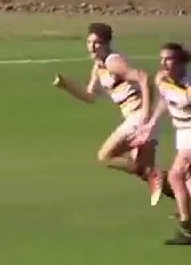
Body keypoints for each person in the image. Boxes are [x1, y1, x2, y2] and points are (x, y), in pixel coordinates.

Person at [53, 23, 167, 206]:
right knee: (149, 176)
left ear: (106, 44)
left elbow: (144, 77)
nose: (92, 47)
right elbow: (90, 97)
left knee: (106, 156)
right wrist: (67, 86)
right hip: (135, 120)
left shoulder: (113, 62)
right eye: (89, 42)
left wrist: (145, 113)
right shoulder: (99, 68)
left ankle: (152, 173)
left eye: (97, 43)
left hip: (137, 117)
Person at [135, 43, 191, 244]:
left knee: (176, 176)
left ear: (182, 63)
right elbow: (165, 100)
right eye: (162, 59)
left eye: (169, 59)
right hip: (182, 133)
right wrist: (151, 123)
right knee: (187, 183)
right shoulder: (162, 79)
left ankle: (187, 226)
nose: (163, 63)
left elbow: (182, 98)